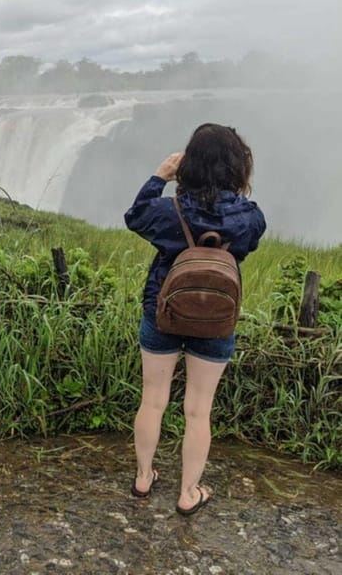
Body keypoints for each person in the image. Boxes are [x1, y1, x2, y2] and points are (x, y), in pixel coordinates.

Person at [123, 123, 266, 515]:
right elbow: (248, 245)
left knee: (153, 400)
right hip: (217, 319)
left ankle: (143, 476)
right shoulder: (250, 217)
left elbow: (135, 216)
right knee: (199, 409)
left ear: (190, 164)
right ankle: (188, 492)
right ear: (237, 167)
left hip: (163, 311)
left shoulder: (169, 211)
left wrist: (159, 176)